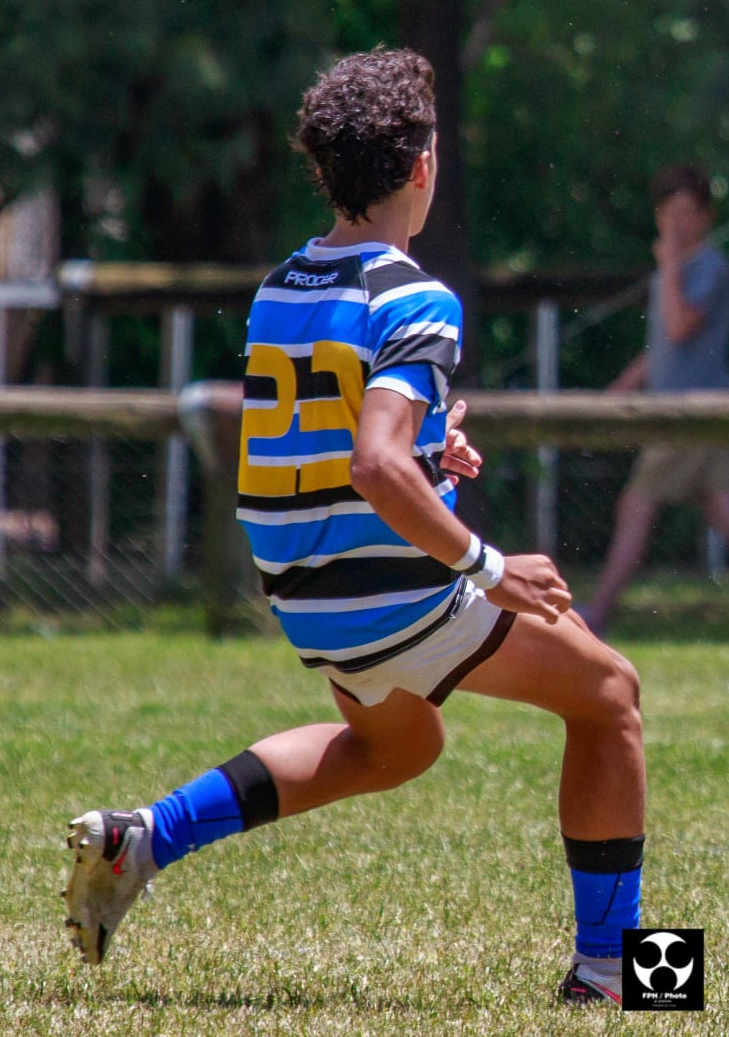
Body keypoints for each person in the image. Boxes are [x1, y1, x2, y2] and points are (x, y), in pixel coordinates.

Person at [61, 50, 646, 1006]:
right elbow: (371, 463)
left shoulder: (281, 286)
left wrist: (426, 452)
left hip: (309, 595)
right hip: (394, 594)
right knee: (611, 693)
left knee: (396, 749)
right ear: (420, 164)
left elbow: (327, 446)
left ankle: (145, 837)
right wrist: (487, 563)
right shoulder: (417, 294)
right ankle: (621, 974)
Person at [583, 165, 729, 642]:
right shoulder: (674, 272)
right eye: (667, 213)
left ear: (704, 216)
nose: (675, 223)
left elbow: (680, 326)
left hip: (692, 414)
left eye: (685, 212)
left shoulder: (708, 268)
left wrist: (672, 267)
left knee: (635, 504)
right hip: (681, 412)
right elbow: (664, 345)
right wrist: (626, 383)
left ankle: (597, 613)